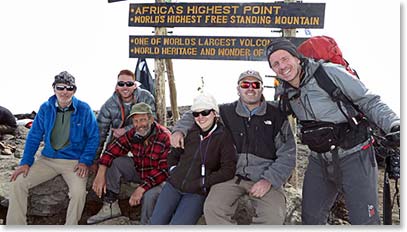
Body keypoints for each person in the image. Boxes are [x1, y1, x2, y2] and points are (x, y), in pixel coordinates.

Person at [266, 38, 400, 225]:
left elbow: (368, 101)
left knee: (365, 221)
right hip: (318, 160)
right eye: (275, 64)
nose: (282, 66)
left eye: (285, 58)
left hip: (354, 156)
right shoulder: (285, 91)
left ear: (297, 58)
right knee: (311, 219)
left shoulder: (328, 73)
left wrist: (394, 124)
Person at [171, 70, 296, 224]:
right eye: (245, 84)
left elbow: (288, 154)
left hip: (265, 178)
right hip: (231, 176)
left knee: (273, 218)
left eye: (255, 84)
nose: (250, 88)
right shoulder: (226, 111)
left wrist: (268, 180)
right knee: (212, 208)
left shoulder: (277, 115)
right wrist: (178, 130)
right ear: (238, 89)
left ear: (261, 89)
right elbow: (194, 113)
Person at [6, 71, 100, 225]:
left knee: (78, 193)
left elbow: (93, 137)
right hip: (47, 160)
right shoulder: (45, 108)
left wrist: (85, 161)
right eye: (60, 87)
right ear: (54, 88)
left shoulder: (84, 109)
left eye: (69, 88)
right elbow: (34, 136)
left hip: (73, 162)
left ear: (74, 90)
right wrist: (25, 162)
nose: (64, 91)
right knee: (18, 183)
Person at [150, 93, 237, 225]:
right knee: (155, 223)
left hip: (196, 193)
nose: (200, 118)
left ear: (214, 113)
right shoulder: (189, 131)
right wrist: (174, 171)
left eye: (205, 112)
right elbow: (173, 154)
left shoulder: (223, 137)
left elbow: (228, 170)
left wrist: (203, 182)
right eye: (196, 114)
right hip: (173, 186)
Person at [87, 102, 170, 225]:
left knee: (149, 195)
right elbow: (112, 150)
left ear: (151, 119)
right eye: (135, 121)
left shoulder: (164, 136)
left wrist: (141, 189)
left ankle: (146, 224)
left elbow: (164, 171)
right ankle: (111, 206)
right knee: (115, 162)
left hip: (159, 179)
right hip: (140, 171)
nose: (139, 125)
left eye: (142, 120)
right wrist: (101, 172)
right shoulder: (133, 133)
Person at [95, 69, 156, 162]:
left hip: (143, 138)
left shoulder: (146, 97)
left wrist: (126, 130)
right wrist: (95, 160)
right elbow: (100, 133)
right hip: (118, 140)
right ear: (117, 86)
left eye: (129, 84)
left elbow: (153, 120)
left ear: (135, 85)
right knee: (106, 164)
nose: (125, 87)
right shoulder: (109, 105)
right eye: (121, 84)